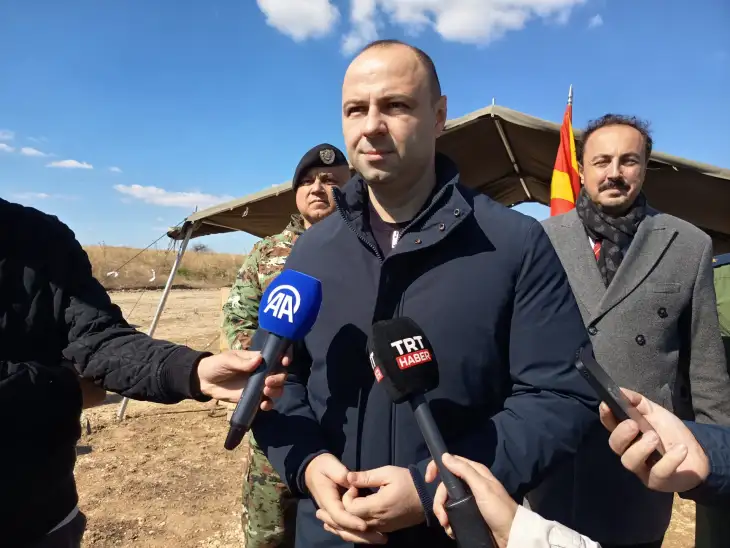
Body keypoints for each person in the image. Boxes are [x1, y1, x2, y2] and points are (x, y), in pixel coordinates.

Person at [250, 39, 600, 547]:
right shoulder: (311, 252)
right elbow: (276, 382)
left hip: (456, 529)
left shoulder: (514, 243)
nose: (372, 125)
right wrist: (306, 464)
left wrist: (432, 486)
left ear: (438, 117)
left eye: (395, 105)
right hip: (329, 530)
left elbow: (559, 397)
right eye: (355, 109)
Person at [0, 196, 289, 548]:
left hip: (45, 511)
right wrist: (67, 390)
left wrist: (192, 371)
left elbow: (98, 339)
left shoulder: (38, 235)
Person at [529, 114, 730, 547]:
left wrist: (718, 461)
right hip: (556, 457)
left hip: (642, 460)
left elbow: (706, 367)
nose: (614, 173)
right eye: (602, 161)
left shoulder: (688, 244)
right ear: (582, 168)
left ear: (645, 167)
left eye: (628, 161)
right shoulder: (537, 240)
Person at [222, 143, 351, 548]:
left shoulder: (366, 249)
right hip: (279, 414)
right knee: (269, 535)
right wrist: (266, 356)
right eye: (307, 181)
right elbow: (238, 316)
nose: (318, 188)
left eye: (330, 180)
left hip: (342, 418)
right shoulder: (267, 252)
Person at [425, 388, 730, 548]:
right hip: (557, 484)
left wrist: (707, 454)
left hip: (640, 503)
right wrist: (704, 452)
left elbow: (708, 379)